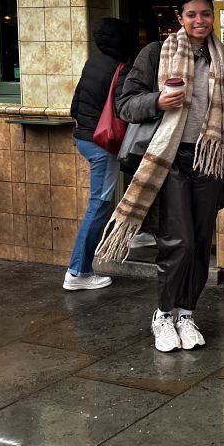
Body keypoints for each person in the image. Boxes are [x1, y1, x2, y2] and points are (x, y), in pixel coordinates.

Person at [97, 0, 224, 352]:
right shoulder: (157, 52)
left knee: (199, 240)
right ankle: (164, 314)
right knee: (176, 239)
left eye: (206, 13)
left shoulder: (220, 55)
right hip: (170, 159)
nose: (200, 20)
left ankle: (187, 313)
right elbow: (127, 103)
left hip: (209, 158)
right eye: (192, 14)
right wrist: (158, 101)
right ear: (180, 19)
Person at [64, 17, 134, 291]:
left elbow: (75, 105)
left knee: (107, 197)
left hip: (84, 138)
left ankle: (134, 230)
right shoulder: (121, 68)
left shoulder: (92, 62)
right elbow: (126, 110)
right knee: (98, 206)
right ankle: (78, 271)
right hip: (102, 143)